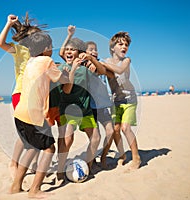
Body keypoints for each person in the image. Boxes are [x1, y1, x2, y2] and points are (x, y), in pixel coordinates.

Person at [9, 31, 76, 198]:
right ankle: (35, 189)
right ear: (46, 48)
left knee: (32, 148)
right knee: (49, 149)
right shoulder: (47, 61)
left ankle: (15, 186)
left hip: (19, 113)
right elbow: (61, 81)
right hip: (35, 115)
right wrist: (70, 72)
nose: (52, 50)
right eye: (51, 47)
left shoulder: (30, 62)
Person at [0, 12, 42, 180]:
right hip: (21, 94)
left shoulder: (41, 54)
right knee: (26, 136)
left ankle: (35, 164)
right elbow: (0, 43)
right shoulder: (19, 49)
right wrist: (9, 24)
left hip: (37, 95)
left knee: (38, 132)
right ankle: (13, 163)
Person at [56, 25, 101, 181]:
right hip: (67, 110)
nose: (68, 52)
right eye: (67, 49)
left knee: (95, 138)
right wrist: (69, 36)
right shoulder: (63, 67)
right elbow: (67, 91)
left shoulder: (86, 67)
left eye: (72, 50)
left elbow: (98, 69)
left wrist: (91, 59)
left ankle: (88, 165)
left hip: (85, 110)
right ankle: (60, 172)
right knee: (67, 141)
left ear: (79, 53)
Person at [103, 31, 141, 171]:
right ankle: (122, 155)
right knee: (116, 130)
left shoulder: (126, 61)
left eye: (126, 44)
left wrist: (103, 64)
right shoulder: (106, 61)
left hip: (129, 99)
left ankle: (136, 158)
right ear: (113, 47)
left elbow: (118, 71)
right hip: (116, 100)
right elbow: (101, 70)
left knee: (125, 128)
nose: (124, 46)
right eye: (120, 44)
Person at [83, 41, 116, 169]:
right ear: (84, 52)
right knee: (95, 137)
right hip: (90, 107)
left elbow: (110, 74)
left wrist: (95, 63)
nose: (93, 52)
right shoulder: (83, 65)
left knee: (110, 131)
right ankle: (90, 164)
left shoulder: (101, 62)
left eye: (95, 49)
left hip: (102, 106)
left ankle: (103, 157)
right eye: (90, 49)